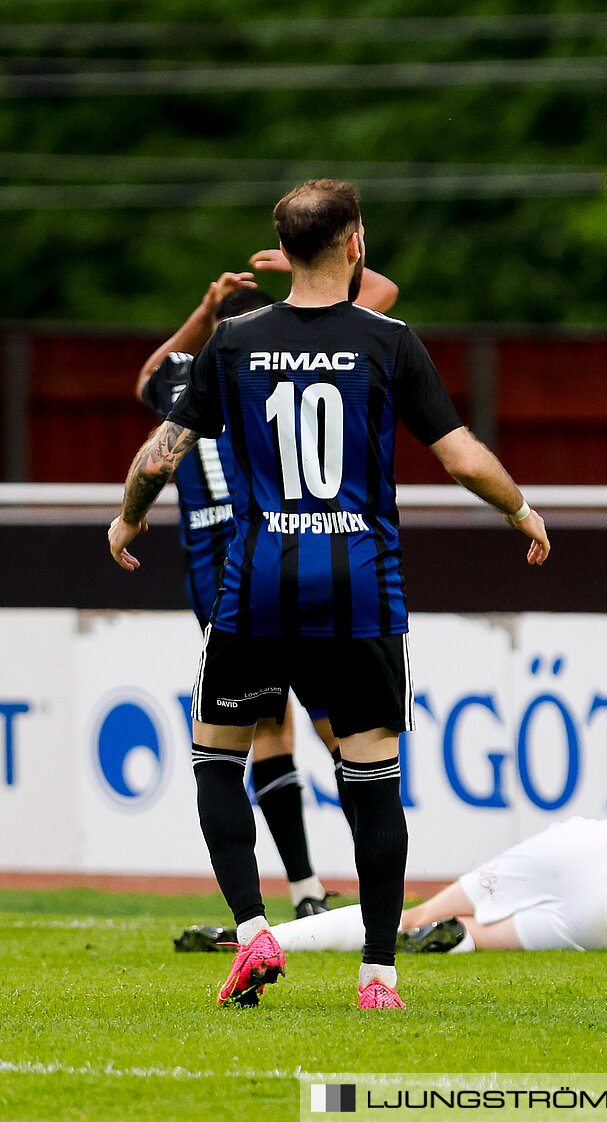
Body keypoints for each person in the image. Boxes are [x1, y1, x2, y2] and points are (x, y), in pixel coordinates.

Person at [108, 179, 551, 1010]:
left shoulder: (234, 342)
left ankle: (252, 933)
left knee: (217, 756)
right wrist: (522, 511)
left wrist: (127, 522)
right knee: (373, 776)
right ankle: (378, 976)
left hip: (256, 586)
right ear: (354, 244)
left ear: (283, 248)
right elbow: (460, 457)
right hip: (361, 589)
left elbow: (160, 454)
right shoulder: (386, 340)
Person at [176, 679, 607, 956]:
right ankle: (460, 941)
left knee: (404, 917)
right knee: (471, 940)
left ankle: (252, 941)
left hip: (584, 842)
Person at [133, 252, 400, 920]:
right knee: (343, 733)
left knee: (256, 733)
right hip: (282, 555)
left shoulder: (182, 379)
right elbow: (383, 292)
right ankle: (361, 909)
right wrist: (308, 264)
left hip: (216, 576)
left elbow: (146, 378)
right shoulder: (268, 363)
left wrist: (203, 307)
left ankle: (301, 892)